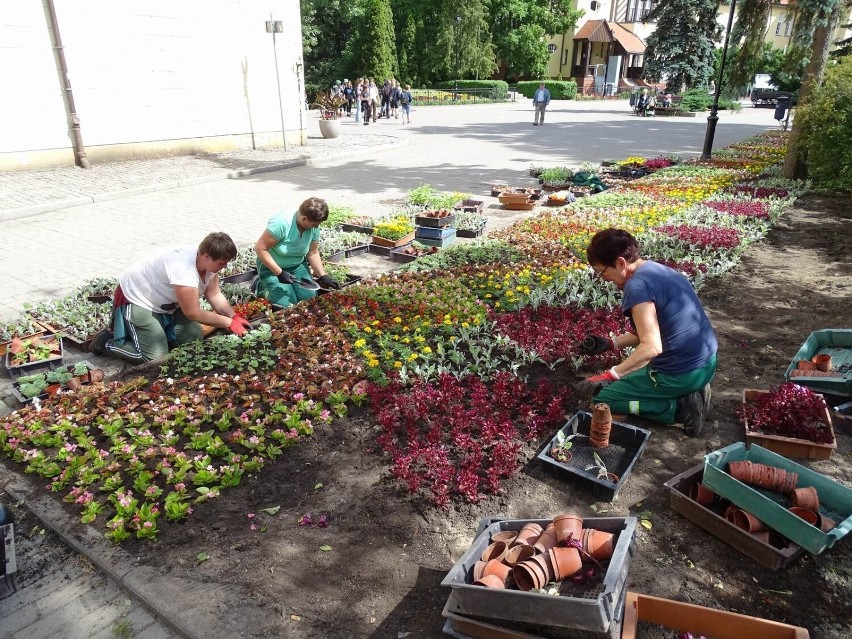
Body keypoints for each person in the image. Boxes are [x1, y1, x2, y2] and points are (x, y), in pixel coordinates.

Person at [576, 229, 717, 436]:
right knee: (630, 376)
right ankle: (688, 392)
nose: (604, 279)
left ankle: (678, 409)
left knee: (603, 400)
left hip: (681, 373)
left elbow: (651, 347)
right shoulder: (656, 270)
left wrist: (610, 375)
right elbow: (654, 331)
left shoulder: (638, 287)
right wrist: (610, 343)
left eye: (603, 271)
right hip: (706, 363)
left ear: (621, 263)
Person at [90, 233, 251, 363]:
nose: (225, 267)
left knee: (192, 339)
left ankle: (161, 334)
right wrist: (229, 323)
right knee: (155, 357)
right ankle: (107, 343)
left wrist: (233, 316)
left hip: (168, 303)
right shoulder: (183, 270)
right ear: (206, 256)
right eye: (222, 263)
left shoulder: (209, 265)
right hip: (139, 299)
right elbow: (193, 313)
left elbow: (214, 294)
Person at [253, 197, 340, 309]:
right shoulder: (282, 223)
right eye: (315, 225)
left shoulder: (313, 228)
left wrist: (323, 275)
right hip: (272, 268)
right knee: (286, 305)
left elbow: (312, 253)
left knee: (309, 300)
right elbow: (260, 248)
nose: (317, 227)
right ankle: (261, 287)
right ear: (304, 219)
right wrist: (279, 272)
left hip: (296, 266)